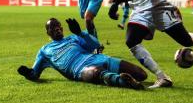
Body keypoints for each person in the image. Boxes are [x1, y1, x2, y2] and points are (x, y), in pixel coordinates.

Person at [17, 17, 147, 90]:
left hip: (100, 58)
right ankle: (122, 80)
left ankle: (125, 79)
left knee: (141, 74)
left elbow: (96, 45)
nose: (57, 28)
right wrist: (27, 73)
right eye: (52, 27)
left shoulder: (74, 37)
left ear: (62, 28)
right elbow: (35, 74)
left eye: (58, 26)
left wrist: (80, 33)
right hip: (80, 69)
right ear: (48, 33)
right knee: (95, 72)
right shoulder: (44, 51)